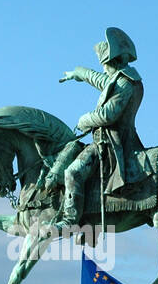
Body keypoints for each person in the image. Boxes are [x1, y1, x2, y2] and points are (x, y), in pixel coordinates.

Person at [55, 27, 147, 229]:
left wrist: (83, 120)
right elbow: (101, 80)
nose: (103, 69)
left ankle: (70, 219)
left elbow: (108, 115)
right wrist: (78, 73)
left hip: (111, 142)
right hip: (108, 138)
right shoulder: (121, 79)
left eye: (104, 65)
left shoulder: (125, 83)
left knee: (72, 172)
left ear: (111, 62)